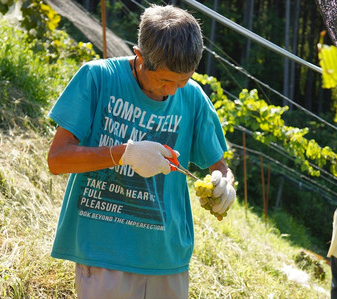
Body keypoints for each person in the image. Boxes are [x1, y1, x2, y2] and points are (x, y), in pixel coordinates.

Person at [47, 4, 236, 299]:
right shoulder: (97, 79)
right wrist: (123, 153)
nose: (172, 91)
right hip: (104, 254)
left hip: (167, 260)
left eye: (182, 80)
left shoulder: (193, 98)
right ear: (139, 57)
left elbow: (219, 166)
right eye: (163, 80)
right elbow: (57, 159)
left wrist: (224, 183)